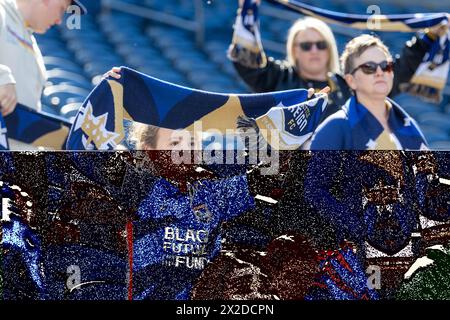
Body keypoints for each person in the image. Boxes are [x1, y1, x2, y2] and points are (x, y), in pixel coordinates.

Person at [229, 0, 448, 124]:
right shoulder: (277, 78)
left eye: (320, 44)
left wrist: (429, 38)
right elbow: (246, 60)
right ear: (294, 50)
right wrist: (247, 10)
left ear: (330, 48)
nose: (314, 50)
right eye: (306, 46)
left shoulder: (349, 83)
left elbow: (398, 70)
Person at [310, 35, 429, 150]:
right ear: (351, 81)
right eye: (369, 67)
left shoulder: (409, 125)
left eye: (385, 66)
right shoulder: (335, 128)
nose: (379, 72)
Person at [0, 0, 86, 115]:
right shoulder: (2, 10)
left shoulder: (30, 39)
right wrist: (2, 77)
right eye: (61, 9)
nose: (59, 20)